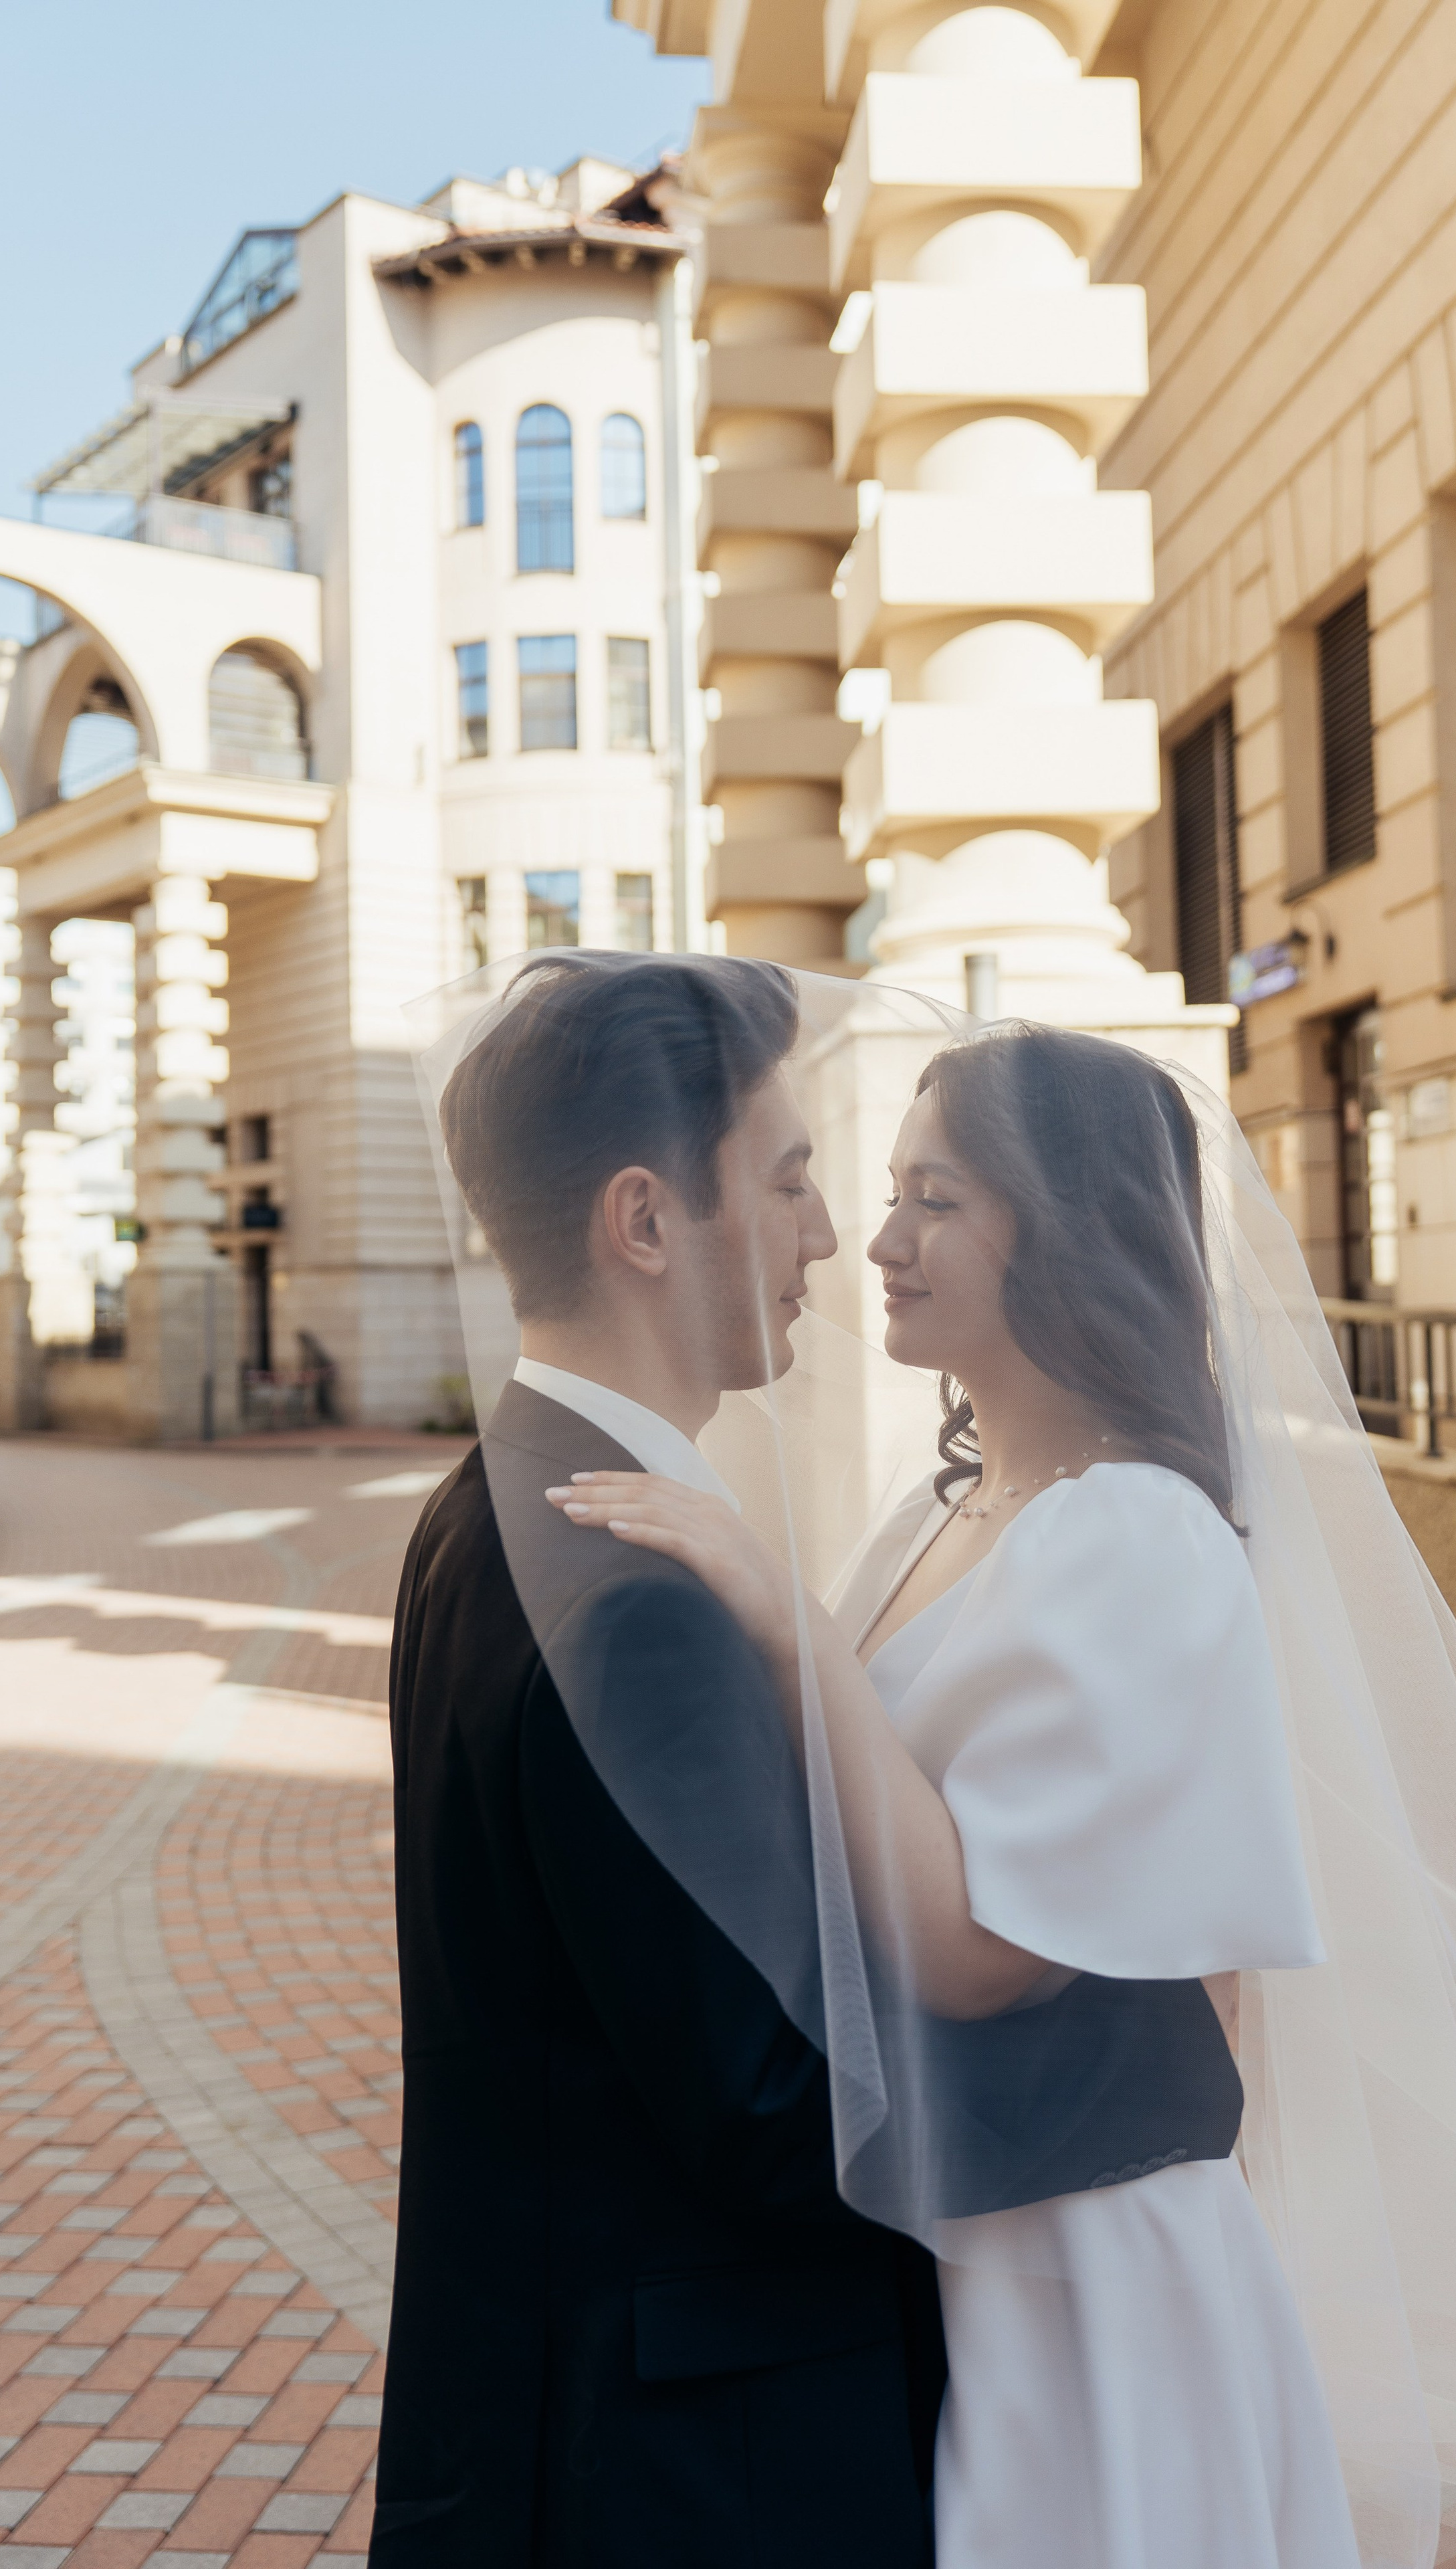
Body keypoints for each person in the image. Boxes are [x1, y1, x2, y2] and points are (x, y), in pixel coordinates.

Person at [549, 1022, 1356, 2568]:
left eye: (938, 1198)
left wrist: (785, 1626)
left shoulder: (1132, 1535)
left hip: (1084, 2266)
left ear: (1063, 1230)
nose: (879, 1240)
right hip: (953, 2237)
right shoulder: (936, 1512)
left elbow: (986, 1953)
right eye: (888, 1190)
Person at [371, 953, 944, 2568]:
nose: (827, 1234)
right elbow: (773, 2117)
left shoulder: (481, 1507)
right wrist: (1041, 1987)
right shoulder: (642, 1596)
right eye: (786, 1178)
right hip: (697, 2471)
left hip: (554, 2416)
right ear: (643, 1223)